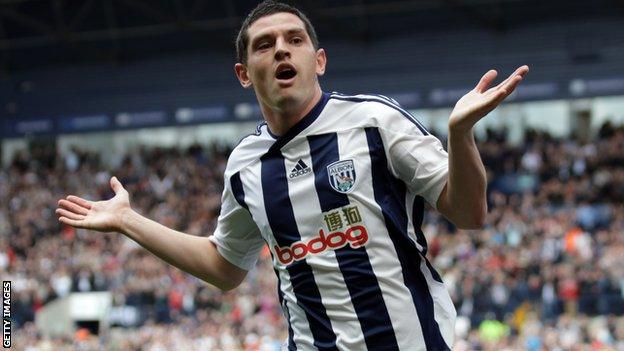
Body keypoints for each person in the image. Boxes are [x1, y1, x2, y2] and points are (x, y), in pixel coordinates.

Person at [56, 1, 529, 350]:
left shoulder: (374, 122)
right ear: (245, 74)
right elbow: (224, 268)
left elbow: (469, 213)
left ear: (318, 60)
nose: (282, 49)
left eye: (294, 40)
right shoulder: (246, 166)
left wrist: (460, 134)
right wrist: (128, 222)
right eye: (266, 45)